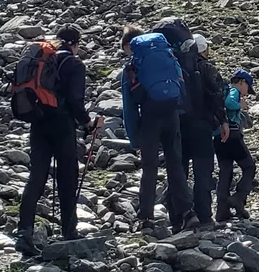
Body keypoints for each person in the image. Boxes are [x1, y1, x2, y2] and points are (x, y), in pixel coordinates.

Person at [16, 26, 100, 255]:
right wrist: (87, 122)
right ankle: (69, 229)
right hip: (62, 125)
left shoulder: (45, 59)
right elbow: (75, 100)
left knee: (36, 177)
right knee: (67, 175)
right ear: (74, 43)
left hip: (39, 122)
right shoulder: (74, 64)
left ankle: (24, 232)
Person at [120, 26, 190, 232]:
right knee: (175, 165)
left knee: (149, 169)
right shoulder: (168, 56)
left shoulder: (132, 66)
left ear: (129, 45)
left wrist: (135, 139)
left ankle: (147, 218)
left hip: (149, 118)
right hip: (171, 115)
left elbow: (129, 107)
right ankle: (187, 212)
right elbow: (181, 87)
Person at [173, 30, 227, 228]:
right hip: (202, 126)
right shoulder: (206, 68)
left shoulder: (175, 66)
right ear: (204, 49)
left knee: (179, 170)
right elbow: (217, 95)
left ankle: (179, 217)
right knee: (203, 171)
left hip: (178, 125)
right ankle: (204, 215)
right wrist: (223, 121)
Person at [216, 69, 257, 220]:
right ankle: (238, 198)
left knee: (225, 171)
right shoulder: (234, 91)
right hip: (232, 135)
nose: (246, 93)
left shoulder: (222, 90)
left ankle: (222, 211)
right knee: (249, 166)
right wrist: (241, 106)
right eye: (247, 88)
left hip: (218, 136)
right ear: (241, 82)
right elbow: (229, 103)